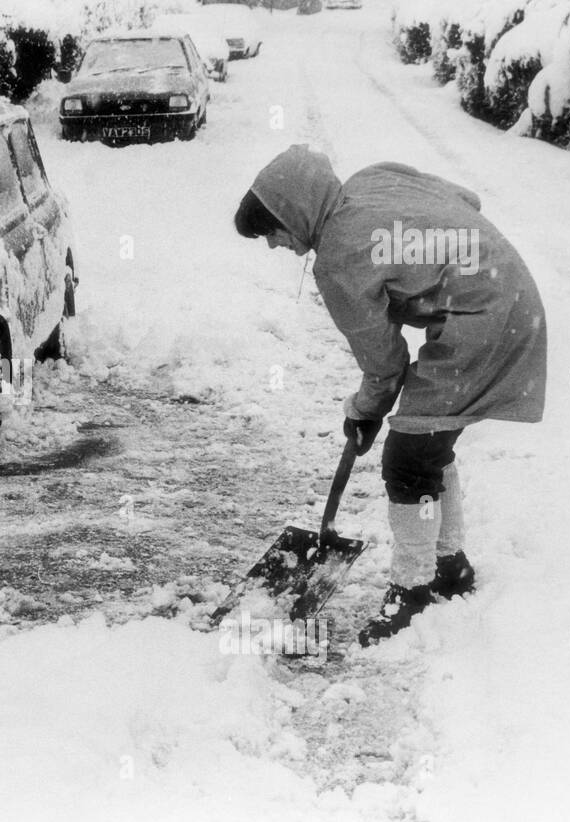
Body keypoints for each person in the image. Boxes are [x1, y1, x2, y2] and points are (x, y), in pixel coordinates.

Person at [234, 145, 547, 645]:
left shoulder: (338, 258)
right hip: (506, 288)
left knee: (408, 458)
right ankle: (451, 566)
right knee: (428, 440)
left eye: (272, 232)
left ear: (292, 214)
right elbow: (464, 200)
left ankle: (413, 592)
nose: (275, 246)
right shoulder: (372, 180)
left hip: (483, 318)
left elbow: (384, 363)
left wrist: (364, 411)